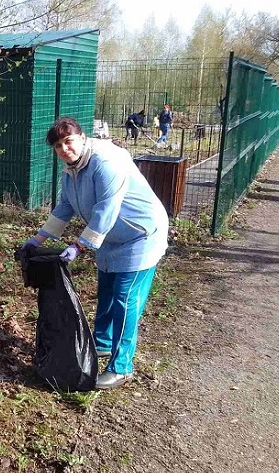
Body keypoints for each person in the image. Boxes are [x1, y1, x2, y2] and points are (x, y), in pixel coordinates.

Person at [22, 117, 169, 389]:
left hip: (140, 235)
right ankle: (101, 344)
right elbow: (65, 206)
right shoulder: (72, 170)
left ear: (82, 137)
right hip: (111, 238)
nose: (64, 149)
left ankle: (121, 366)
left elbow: (107, 209)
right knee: (107, 292)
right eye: (58, 146)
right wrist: (38, 239)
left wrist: (79, 246)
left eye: (68, 141)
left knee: (125, 299)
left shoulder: (105, 162)